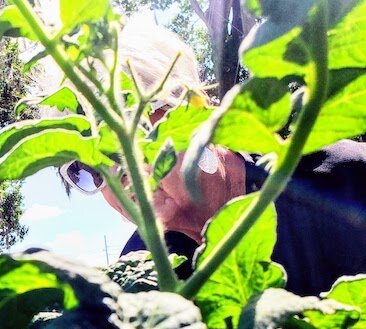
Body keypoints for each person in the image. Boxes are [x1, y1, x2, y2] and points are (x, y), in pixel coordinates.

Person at [58, 20, 366, 297]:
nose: (117, 174)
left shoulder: (346, 179)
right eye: (87, 166)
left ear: (196, 111)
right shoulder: (138, 280)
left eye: (133, 129)